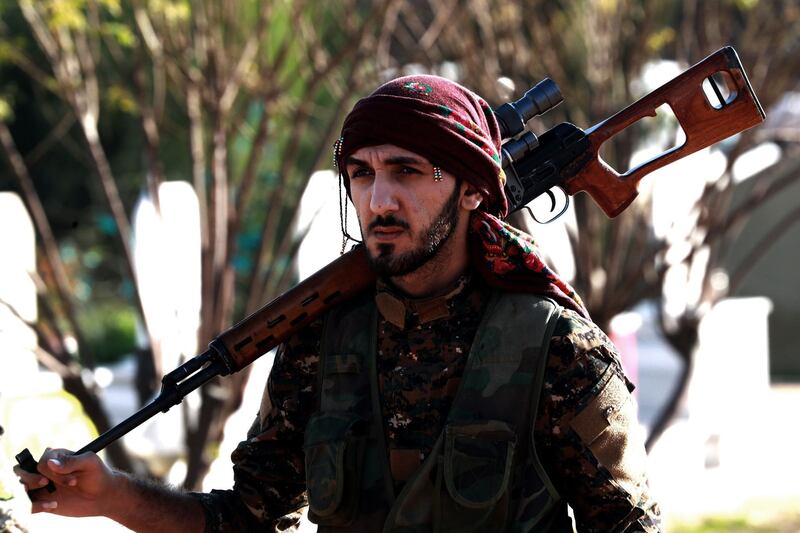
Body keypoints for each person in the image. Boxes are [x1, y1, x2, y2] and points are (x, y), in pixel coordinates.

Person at [15, 75, 661, 532]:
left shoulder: (557, 348)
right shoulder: (321, 339)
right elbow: (248, 519)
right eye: (361, 172)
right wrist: (113, 496)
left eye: (407, 171)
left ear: (471, 190)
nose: (379, 199)